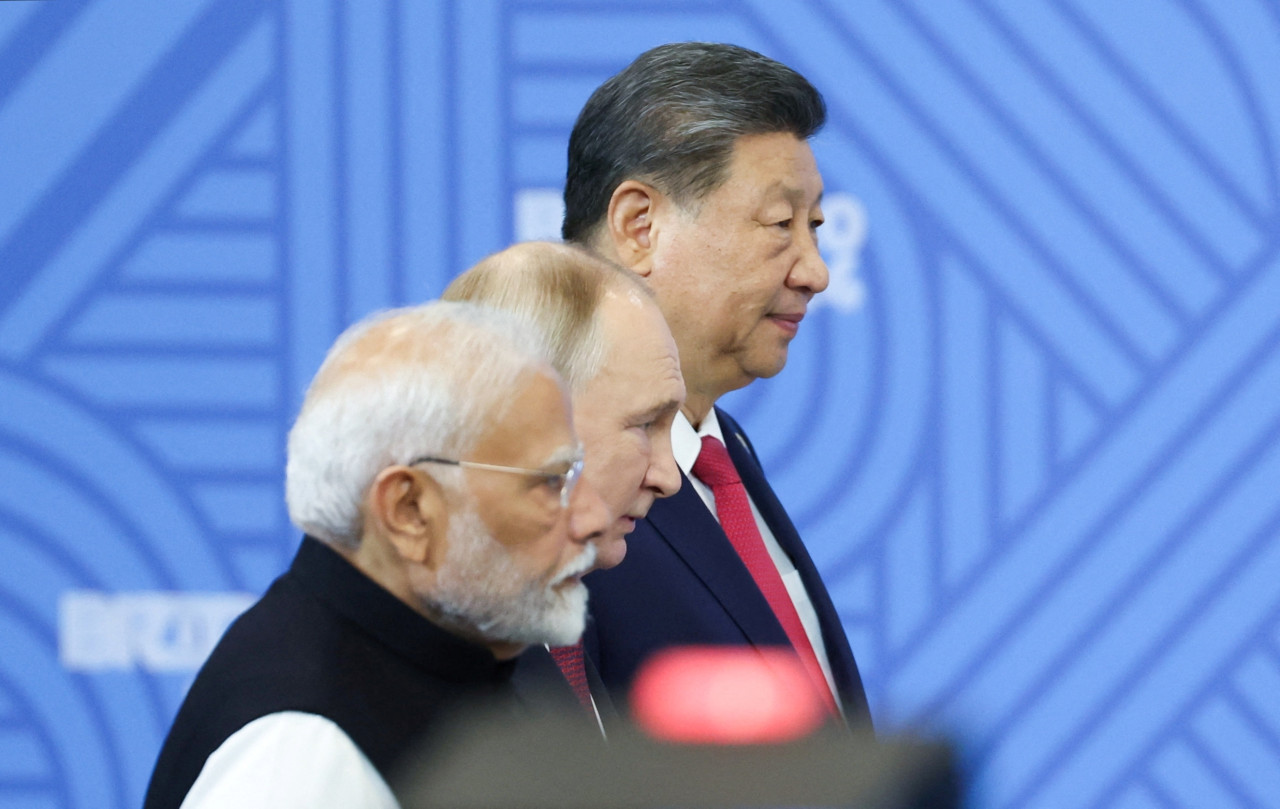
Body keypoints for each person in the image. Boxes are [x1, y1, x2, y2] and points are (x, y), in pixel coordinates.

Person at [144, 301, 610, 809]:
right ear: (408, 510)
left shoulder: (462, 662)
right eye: (550, 482)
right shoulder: (302, 757)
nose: (593, 517)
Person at [562, 41, 873, 725]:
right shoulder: (549, 476)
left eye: (815, 227)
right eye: (780, 224)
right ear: (640, 225)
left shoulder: (721, 448)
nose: (816, 271)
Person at [443, 240, 685, 729]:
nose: (670, 478)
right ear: (529, 417)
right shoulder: (436, 667)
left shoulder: (561, 617)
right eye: (644, 426)